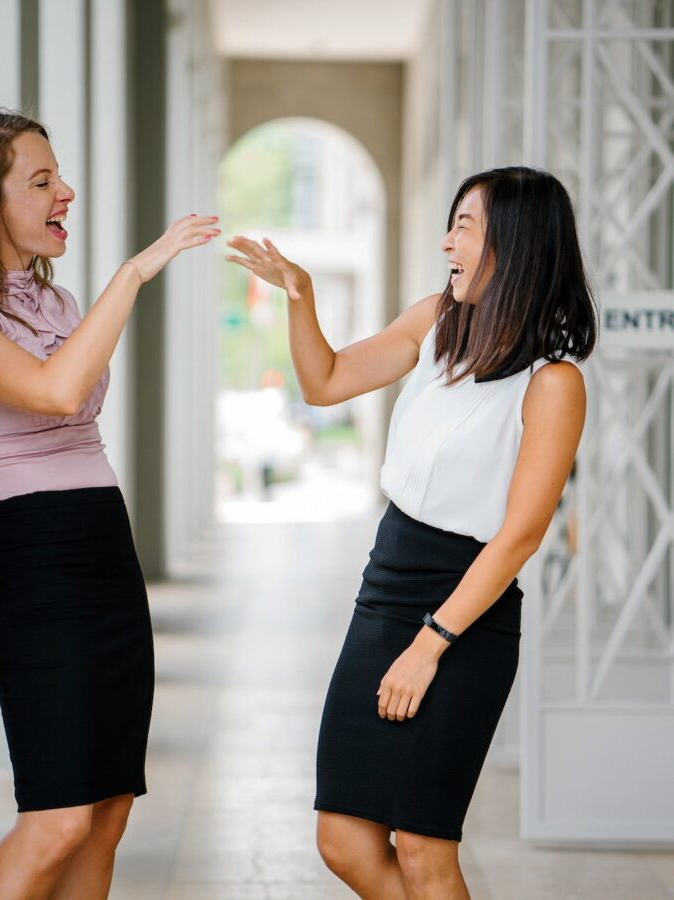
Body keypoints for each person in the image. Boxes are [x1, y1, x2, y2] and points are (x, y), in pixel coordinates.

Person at [226, 166, 597, 899]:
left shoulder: (553, 383)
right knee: (343, 837)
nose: (445, 241)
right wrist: (300, 298)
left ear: (516, 245)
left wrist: (430, 646)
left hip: (465, 612)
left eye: (464, 225)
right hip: (386, 585)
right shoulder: (435, 324)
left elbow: (519, 536)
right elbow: (325, 381)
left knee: (425, 847)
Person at [0, 110, 219, 899]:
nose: (65, 192)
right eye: (41, 182)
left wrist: (104, 292)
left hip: (103, 550)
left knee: (107, 812)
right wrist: (134, 274)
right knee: (58, 817)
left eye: (59, 176)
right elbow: (56, 390)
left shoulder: (55, 301)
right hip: (30, 561)